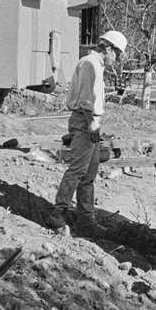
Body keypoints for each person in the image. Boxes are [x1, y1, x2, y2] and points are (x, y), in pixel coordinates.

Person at [46, 31, 126, 235]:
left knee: (89, 173)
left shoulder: (95, 65)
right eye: (116, 54)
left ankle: (86, 218)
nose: (115, 60)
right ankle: (58, 213)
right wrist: (91, 123)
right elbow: (85, 98)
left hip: (91, 121)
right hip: (85, 120)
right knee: (77, 170)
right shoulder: (90, 63)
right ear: (108, 48)